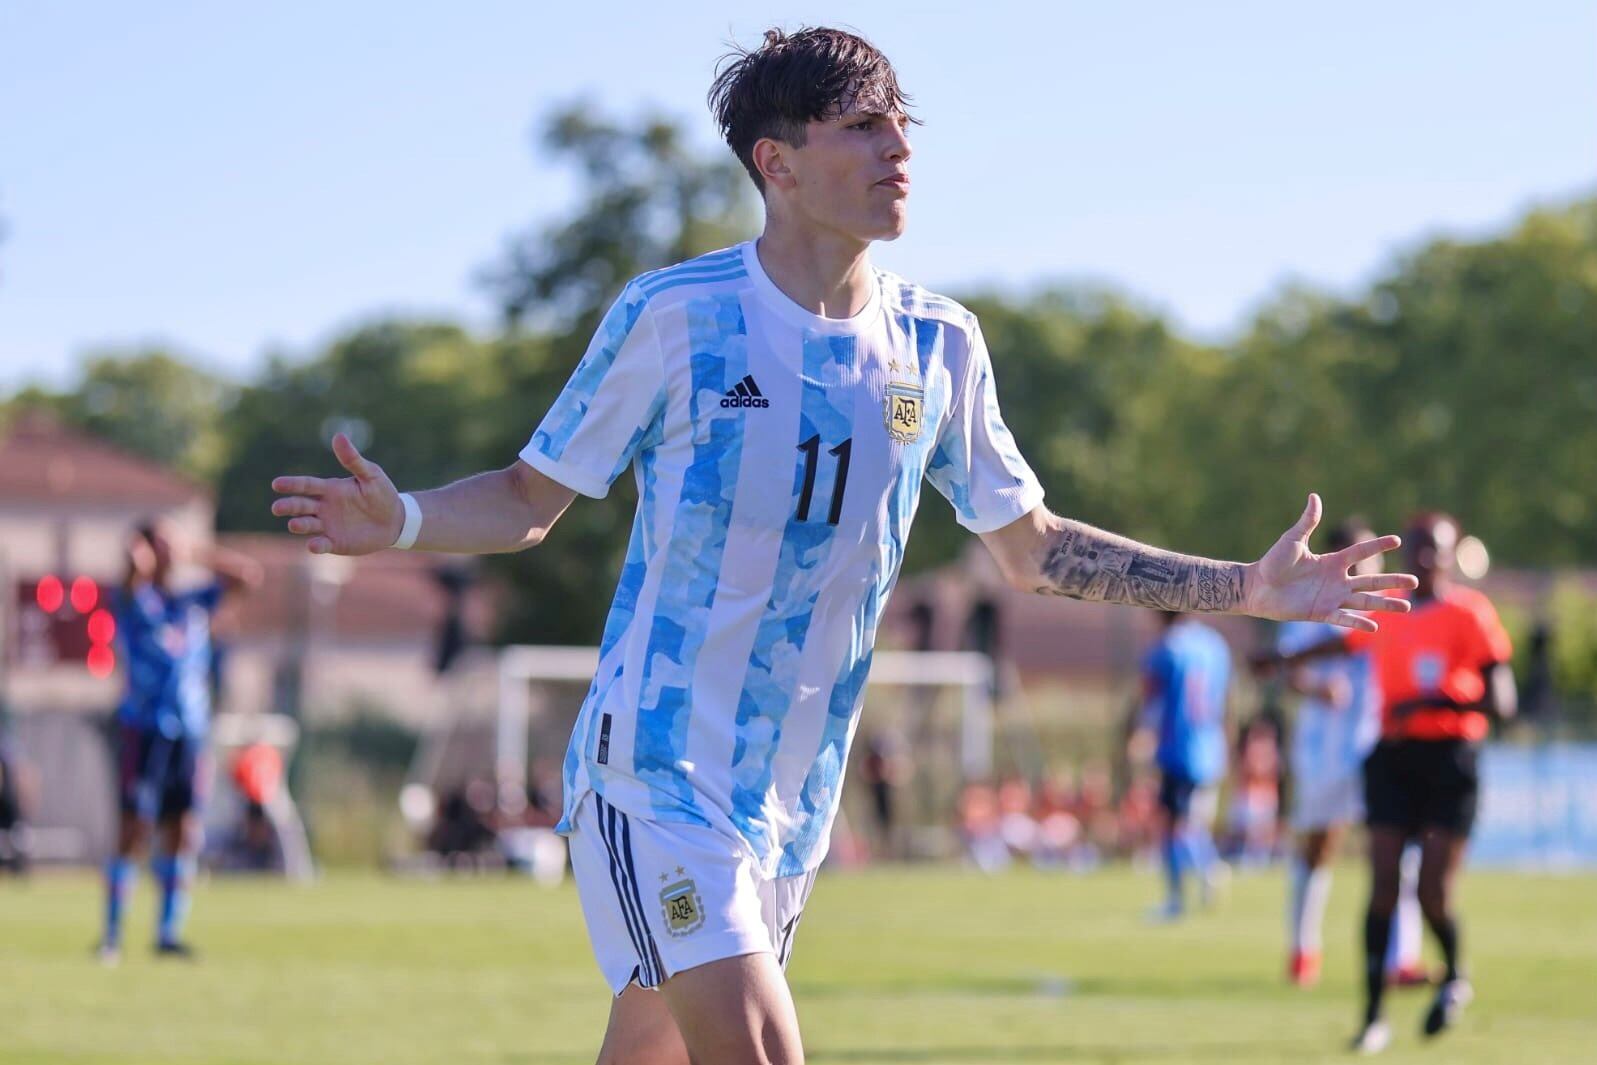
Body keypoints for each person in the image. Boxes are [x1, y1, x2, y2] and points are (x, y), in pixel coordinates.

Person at [268, 27, 1415, 1063]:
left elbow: (1033, 549)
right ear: (775, 163)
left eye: (901, 124)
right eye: (862, 127)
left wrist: (1241, 590)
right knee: (764, 1051)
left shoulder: (939, 347)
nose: (897, 148)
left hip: (791, 801)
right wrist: (406, 519)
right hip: (657, 770)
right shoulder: (676, 317)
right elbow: (530, 495)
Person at [1264, 513, 1513, 1054]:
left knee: (1432, 893)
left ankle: (1454, 975)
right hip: (1394, 757)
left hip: (1450, 758)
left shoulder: (1471, 614)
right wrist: (1279, 660)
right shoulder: (1393, 610)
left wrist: (1438, 700)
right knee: (1379, 885)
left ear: (1451, 555)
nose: (1423, 558)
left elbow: (1503, 701)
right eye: (1416, 548)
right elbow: (1339, 647)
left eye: (1434, 549)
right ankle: (1373, 1016)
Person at [99, 521, 261, 963]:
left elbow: (248, 577)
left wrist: (197, 552)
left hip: (188, 730)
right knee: (133, 829)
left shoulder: (192, 601)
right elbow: (128, 582)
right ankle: (112, 933)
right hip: (145, 728)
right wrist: (140, 560)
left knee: (183, 830)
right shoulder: (134, 600)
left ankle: (168, 933)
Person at [1131, 612, 1232, 920]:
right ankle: (1205, 870)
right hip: (1210, 745)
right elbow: (1224, 698)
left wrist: (1141, 735)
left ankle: (1192, 883)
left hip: (1178, 747)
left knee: (1176, 825)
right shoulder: (1215, 644)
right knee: (1187, 822)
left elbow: (1153, 700)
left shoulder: (1166, 648)